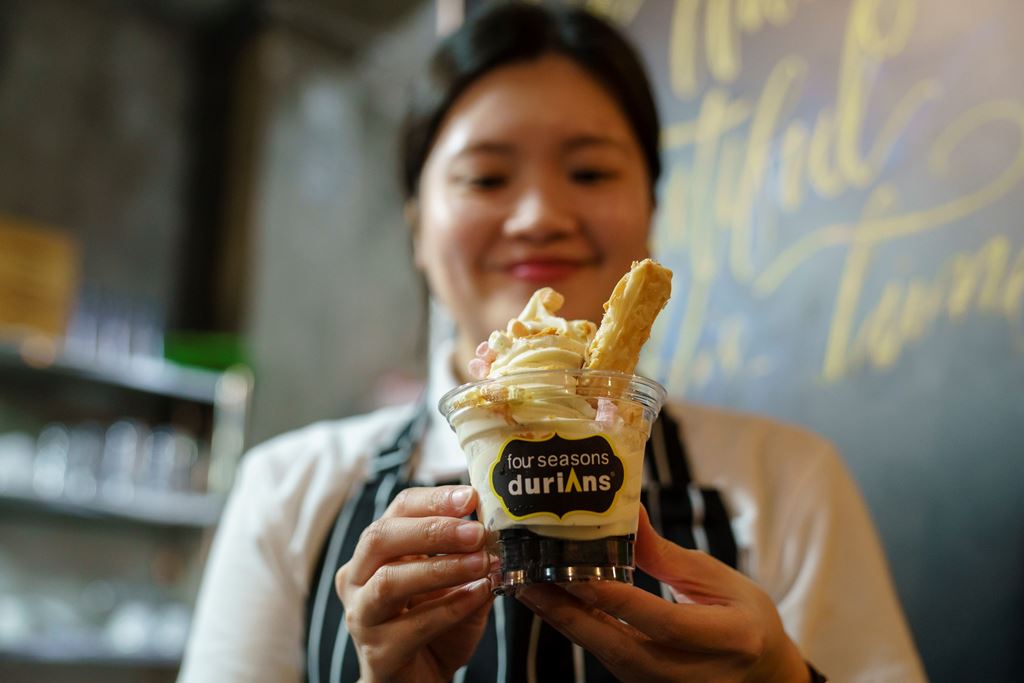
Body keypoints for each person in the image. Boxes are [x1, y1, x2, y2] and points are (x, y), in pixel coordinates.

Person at [178, 3, 926, 682]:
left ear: (651, 208)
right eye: (486, 177)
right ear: (417, 227)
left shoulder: (785, 483)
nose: (538, 214)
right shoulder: (287, 491)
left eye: (590, 170)